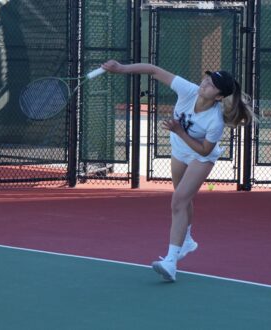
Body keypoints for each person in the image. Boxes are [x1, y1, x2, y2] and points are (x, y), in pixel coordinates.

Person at [102, 60, 253, 282]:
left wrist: (180, 132)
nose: (205, 84)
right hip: (180, 151)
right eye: (207, 79)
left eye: (212, 85)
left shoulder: (215, 120)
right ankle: (188, 240)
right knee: (184, 198)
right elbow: (153, 70)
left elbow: (203, 149)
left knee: (178, 201)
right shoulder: (188, 90)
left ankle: (171, 262)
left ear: (219, 96)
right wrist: (120, 69)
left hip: (201, 156)